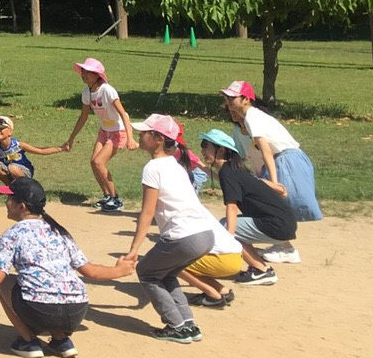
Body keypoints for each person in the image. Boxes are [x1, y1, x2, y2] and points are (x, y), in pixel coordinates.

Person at [0, 177, 136, 358]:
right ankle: (61, 340)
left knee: (5, 283)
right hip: (77, 311)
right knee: (51, 289)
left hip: (40, 311)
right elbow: (90, 271)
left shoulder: (12, 235)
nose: (5, 202)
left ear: (21, 206)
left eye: (9, 198)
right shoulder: (60, 232)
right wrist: (118, 270)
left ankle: (28, 342)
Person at [122, 114, 217, 343]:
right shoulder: (176, 165)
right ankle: (188, 324)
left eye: (145, 132)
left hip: (183, 237)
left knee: (146, 272)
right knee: (166, 274)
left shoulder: (153, 167)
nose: (140, 135)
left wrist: (134, 248)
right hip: (205, 235)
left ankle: (176, 326)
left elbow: (147, 212)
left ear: (157, 139)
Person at [221, 80, 322, 261]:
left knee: (276, 204)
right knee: (274, 206)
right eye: (227, 97)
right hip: (281, 161)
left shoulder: (252, 116)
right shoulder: (247, 119)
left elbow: (265, 149)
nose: (228, 101)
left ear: (246, 99)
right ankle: (284, 247)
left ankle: (286, 249)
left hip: (285, 161)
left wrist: (274, 182)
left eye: (233, 97)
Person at [199, 128, 297, 286]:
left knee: (226, 227)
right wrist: (200, 166)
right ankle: (260, 267)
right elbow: (242, 183)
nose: (202, 150)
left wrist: (227, 238)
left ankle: (261, 270)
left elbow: (232, 207)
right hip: (284, 222)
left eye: (205, 146)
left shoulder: (228, 173)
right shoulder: (235, 169)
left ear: (221, 150)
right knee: (230, 227)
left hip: (277, 225)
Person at [60, 57, 138, 211]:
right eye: (83, 72)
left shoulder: (107, 90)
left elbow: (123, 114)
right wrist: (71, 139)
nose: (84, 75)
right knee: (93, 162)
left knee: (98, 162)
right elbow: (83, 117)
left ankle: (116, 199)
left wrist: (131, 138)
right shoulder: (86, 92)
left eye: (88, 72)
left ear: (98, 75)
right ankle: (107, 196)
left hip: (118, 130)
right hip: (104, 130)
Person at [0, 115, 66, 184]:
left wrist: (61, 148)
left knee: (12, 167)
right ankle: (10, 186)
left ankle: (25, 186)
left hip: (23, 171)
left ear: (10, 131)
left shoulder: (18, 144)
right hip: (10, 171)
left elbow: (40, 151)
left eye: (1, 129)